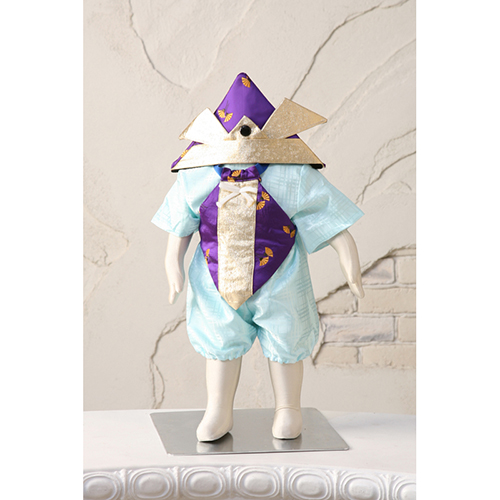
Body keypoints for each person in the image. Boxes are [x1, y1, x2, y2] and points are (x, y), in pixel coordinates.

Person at [152, 73, 364, 441]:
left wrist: (349, 259)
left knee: (287, 336)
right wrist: (173, 263)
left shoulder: (290, 173)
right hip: (215, 278)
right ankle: (218, 410)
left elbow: (326, 215)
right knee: (220, 341)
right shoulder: (198, 174)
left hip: (282, 278)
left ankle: (288, 409)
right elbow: (180, 223)